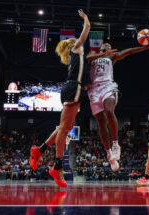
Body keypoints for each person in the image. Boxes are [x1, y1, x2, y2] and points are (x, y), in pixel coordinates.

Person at [29, 9, 91, 188]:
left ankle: (39, 151)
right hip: (73, 89)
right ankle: (56, 166)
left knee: (67, 127)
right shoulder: (77, 48)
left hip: (72, 88)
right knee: (64, 129)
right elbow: (86, 29)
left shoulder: (77, 57)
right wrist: (85, 18)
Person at [85, 38, 149, 171]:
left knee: (109, 111)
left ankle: (116, 144)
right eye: (105, 44)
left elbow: (129, 51)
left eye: (109, 44)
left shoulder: (112, 57)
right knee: (101, 124)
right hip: (94, 90)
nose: (107, 44)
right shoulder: (93, 54)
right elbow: (87, 59)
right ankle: (109, 155)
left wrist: (145, 48)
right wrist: (102, 53)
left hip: (108, 86)